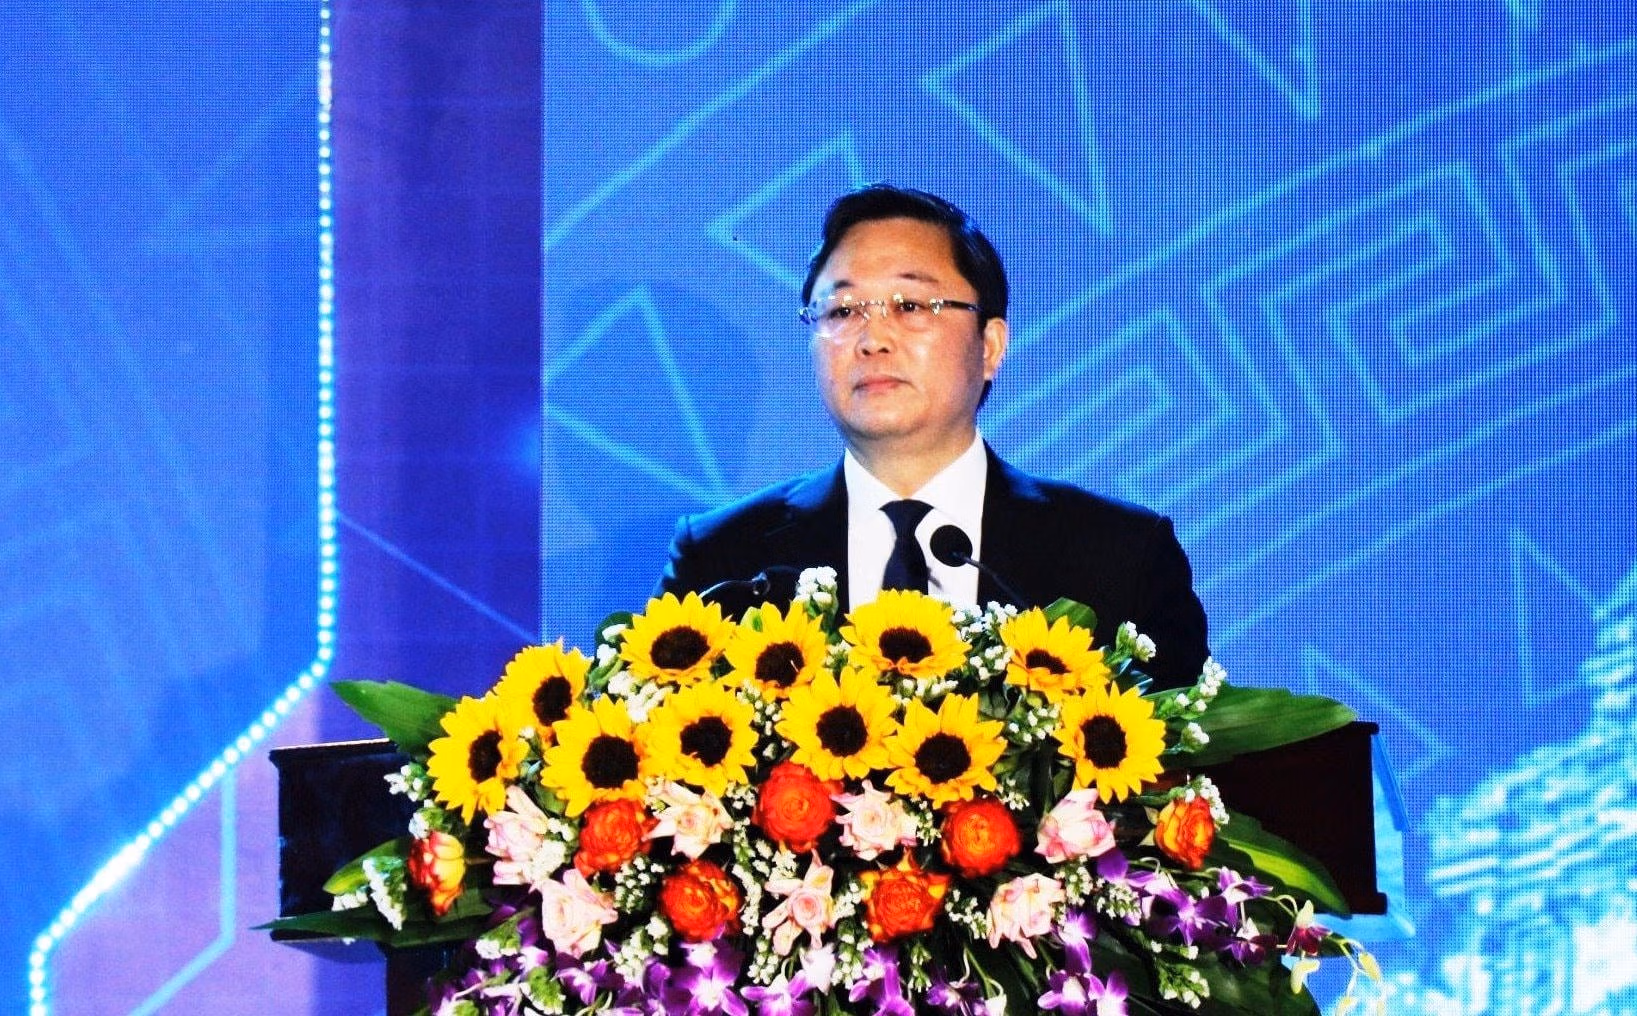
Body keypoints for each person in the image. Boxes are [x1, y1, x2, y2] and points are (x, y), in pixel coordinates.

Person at [658, 184, 1208, 688]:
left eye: (910, 306)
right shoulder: (722, 559)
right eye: (842, 310)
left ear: (990, 346)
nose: (872, 339)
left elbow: (1191, 751)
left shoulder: (1121, 556)